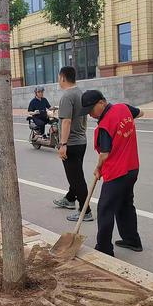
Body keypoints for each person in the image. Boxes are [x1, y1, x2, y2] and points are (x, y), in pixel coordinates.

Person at [81, 90, 144, 257]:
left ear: (101, 102)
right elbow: (140, 113)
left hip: (117, 173)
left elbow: (104, 154)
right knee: (125, 205)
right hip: (132, 168)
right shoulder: (124, 108)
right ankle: (132, 240)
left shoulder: (104, 125)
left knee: (105, 209)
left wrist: (98, 168)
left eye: (91, 110)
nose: (90, 114)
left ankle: (104, 248)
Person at [53, 66, 93, 222]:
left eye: (58, 77)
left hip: (71, 143)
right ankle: (70, 199)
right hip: (81, 141)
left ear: (62, 77)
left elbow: (66, 121)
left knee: (76, 178)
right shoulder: (79, 93)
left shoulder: (67, 96)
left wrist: (63, 144)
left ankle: (86, 211)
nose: (58, 80)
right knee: (75, 175)